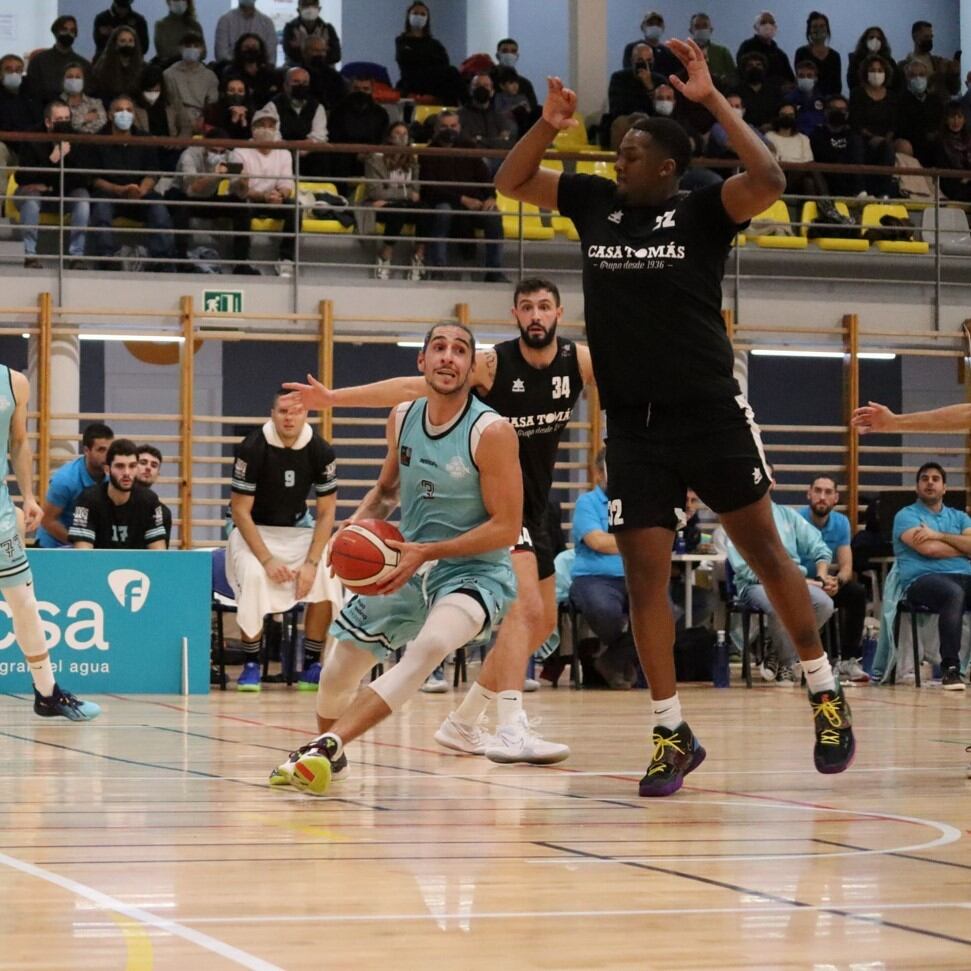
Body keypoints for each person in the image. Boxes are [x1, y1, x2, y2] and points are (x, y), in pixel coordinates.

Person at [494, 41, 856, 795]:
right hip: (633, 426)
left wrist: (714, 100)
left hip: (710, 413)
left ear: (664, 165)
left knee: (764, 551)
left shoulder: (700, 209)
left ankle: (823, 690)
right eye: (616, 150)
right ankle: (669, 730)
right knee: (644, 578)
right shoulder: (592, 201)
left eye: (630, 152)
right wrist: (547, 123)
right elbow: (511, 178)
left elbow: (769, 177)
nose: (617, 159)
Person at [283, 277, 592, 762]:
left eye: (545, 306)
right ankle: (492, 725)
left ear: (559, 312)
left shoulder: (575, 364)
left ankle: (473, 723)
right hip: (454, 532)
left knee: (534, 618)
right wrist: (336, 403)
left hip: (515, 516)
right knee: (518, 611)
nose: (536, 315)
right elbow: (403, 417)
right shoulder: (483, 371)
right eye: (527, 307)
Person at [269, 323, 521, 795]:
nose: (449, 357)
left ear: (471, 368)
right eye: (439, 348)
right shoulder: (403, 417)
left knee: (428, 648)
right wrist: (354, 527)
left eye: (460, 350)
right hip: (405, 560)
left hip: (473, 571)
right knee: (338, 668)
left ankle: (324, 747)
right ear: (421, 361)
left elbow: (506, 527)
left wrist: (429, 551)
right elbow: (386, 491)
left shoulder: (492, 431)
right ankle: (330, 749)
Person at [0, 363, 100, 720]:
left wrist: (28, 496)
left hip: (0, 510)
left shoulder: (14, 383)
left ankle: (47, 693)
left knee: (24, 601)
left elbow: (19, 440)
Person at [228, 389, 339, 691]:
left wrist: (312, 563)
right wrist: (266, 560)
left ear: (307, 414)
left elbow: (327, 512)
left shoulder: (320, 450)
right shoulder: (252, 448)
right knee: (253, 575)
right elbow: (239, 511)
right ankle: (252, 663)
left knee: (327, 573)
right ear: (272, 413)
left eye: (296, 411)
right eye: (283, 411)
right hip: (254, 529)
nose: (289, 418)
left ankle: (313, 663)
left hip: (297, 530)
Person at [727, 484, 834, 685]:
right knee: (780, 602)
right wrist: (787, 582)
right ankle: (786, 663)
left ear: (771, 483)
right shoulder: (736, 516)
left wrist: (821, 577)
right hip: (754, 584)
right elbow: (742, 568)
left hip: (794, 581)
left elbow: (820, 547)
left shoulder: (787, 515)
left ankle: (776, 649)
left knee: (825, 603)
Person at [892, 463, 971, 690]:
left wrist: (938, 535)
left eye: (935, 479)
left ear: (944, 488)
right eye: (924, 478)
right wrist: (962, 546)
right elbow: (929, 550)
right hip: (922, 580)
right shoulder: (906, 516)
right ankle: (951, 669)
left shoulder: (959, 517)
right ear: (917, 487)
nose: (930, 482)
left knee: (958, 589)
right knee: (953, 593)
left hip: (964, 574)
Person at [571, 447, 639, 689]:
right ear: (598, 474)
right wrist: (635, 541)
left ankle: (611, 659)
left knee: (667, 613)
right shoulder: (586, 503)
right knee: (604, 611)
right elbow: (596, 541)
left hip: (634, 575)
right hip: (593, 578)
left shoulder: (636, 501)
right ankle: (621, 657)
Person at [89, 95, 177, 270]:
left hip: (140, 194)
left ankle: (161, 260)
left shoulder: (144, 139)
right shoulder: (97, 139)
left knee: (158, 207)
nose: (124, 114)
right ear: (109, 115)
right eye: (119, 110)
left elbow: (153, 172)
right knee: (100, 208)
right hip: (109, 193)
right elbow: (93, 178)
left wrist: (141, 190)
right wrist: (119, 189)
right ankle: (107, 259)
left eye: (129, 110)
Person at [798, 475, 870, 683]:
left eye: (828, 492)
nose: (822, 497)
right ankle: (811, 661)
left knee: (856, 592)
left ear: (836, 498)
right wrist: (814, 583)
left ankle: (848, 660)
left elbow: (846, 566)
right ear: (808, 494)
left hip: (826, 584)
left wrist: (837, 582)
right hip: (800, 585)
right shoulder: (797, 520)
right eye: (818, 491)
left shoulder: (841, 523)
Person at [419, 111, 505, 283]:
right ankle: (438, 268)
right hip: (444, 202)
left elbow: (485, 178)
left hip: (475, 202)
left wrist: (490, 197)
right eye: (444, 126)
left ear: (459, 127)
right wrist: (462, 199)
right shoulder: (428, 153)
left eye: (453, 126)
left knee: (493, 217)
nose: (449, 129)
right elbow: (430, 189)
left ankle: (494, 271)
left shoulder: (470, 148)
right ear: (436, 129)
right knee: (443, 212)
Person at [15, 101, 91, 270]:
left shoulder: (77, 139)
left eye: (67, 119)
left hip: (63, 192)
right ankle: (29, 255)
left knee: (83, 199)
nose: (64, 124)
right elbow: (23, 177)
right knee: (31, 199)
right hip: (35, 193)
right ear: (48, 122)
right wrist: (52, 160)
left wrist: (48, 185)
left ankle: (76, 257)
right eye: (59, 119)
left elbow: (82, 179)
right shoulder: (32, 137)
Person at [169, 127, 253, 272]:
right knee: (181, 208)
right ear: (205, 146)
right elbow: (192, 189)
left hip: (212, 197)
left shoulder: (231, 156)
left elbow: (241, 194)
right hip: (186, 196)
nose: (219, 154)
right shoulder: (190, 154)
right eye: (214, 151)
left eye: (222, 151)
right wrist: (216, 175)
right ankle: (180, 260)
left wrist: (244, 183)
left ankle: (241, 263)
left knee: (243, 208)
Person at [69, 439, 167, 550]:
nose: (126, 473)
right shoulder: (87, 500)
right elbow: (83, 554)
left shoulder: (150, 501)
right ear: (107, 469)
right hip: (98, 565)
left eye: (132, 466)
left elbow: (158, 553)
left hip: (137, 567)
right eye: (120, 466)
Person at [233, 107, 297, 275]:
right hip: (250, 199)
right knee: (241, 206)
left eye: (271, 126)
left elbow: (287, 184)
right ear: (253, 129)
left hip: (273, 199)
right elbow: (240, 190)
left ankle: (286, 259)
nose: (267, 129)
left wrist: (280, 195)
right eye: (262, 125)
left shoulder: (284, 153)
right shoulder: (240, 152)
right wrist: (263, 195)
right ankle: (241, 260)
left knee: (294, 207)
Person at [363, 121, 426, 281]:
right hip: (380, 207)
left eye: (405, 134)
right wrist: (405, 193)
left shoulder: (413, 160)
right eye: (397, 133)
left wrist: (392, 195)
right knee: (398, 210)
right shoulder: (375, 158)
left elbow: (417, 192)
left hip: (397, 205)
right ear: (389, 136)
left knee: (426, 209)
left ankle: (418, 256)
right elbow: (375, 191)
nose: (401, 137)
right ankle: (385, 255)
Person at [37, 423, 113, 548]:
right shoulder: (65, 480)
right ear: (86, 451)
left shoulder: (113, 475)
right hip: (55, 546)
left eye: (109, 450)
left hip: (89, 544)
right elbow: (48, 521)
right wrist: (79, 543)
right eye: (101, 450)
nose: (107, 456)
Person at [261, 65, 329, 177]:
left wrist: (297, 148)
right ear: (285, 85)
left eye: (305, 83)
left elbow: (319, 137)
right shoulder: (272, 106)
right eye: (296, 82)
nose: (301, 86)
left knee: (322, 156)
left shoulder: (317, 107)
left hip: (309, 156)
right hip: (281, 155)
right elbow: (273, 137)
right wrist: (292, 150)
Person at [395, 2, 464, 105]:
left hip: (433, 82)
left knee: (452, 74)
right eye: (415, 13)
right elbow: (407, 63)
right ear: (408, 16)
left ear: (427, 19)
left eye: (423, 14)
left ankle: (459, 111)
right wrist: (429, 61)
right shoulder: (401, 41)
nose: (419, 16)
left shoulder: (435, 44)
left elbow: (444, 63)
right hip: (412, 81)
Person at [849, 55, 897, 197]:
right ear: (865, 72)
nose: (876, 73)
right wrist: (871, 137)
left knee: (888, 148)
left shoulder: (892, 96)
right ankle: (860, 190)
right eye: (872, 70)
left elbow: (894, 124)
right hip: (862, 137)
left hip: (884, 139)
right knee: (855, 142)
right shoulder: (857, 93)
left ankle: (884, 193)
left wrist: (884, 139)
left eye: (879, 70)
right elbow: (855, 121)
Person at [327, 77, 389, 181]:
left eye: (365, 89)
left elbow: (382, 139)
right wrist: (354, 154)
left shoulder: (381, 113)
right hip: (343, 157)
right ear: (350, 89)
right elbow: (333, 139)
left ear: (372, 90)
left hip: (371, 156)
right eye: (357, 89)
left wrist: (369, 154)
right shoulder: (338, 111)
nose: (361, 92)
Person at [26, 16, 91, 106]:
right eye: (64, 29)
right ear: (56, 32)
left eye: (72, 31)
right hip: (43, 109)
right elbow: (32, 91)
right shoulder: (39, 61)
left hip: (77, 110)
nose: (68, 33)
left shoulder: (84, 64)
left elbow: (89, 92)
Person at [163, 31, 218, 136]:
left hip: (202, 121)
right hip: (177, 120)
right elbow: (169, 104)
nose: (192, 49)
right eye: (188, 46)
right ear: (180, 48)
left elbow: (212, 103)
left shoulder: (210, 76)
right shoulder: (168, 74)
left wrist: (203, 119)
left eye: (196, 46)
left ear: (202, 49)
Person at [809, 94, 865, 197]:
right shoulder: (817, 134)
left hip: (849, 184)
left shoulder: (853, 136)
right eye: (834, 109)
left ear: (847, 114)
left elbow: (857, 161)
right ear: (826, 112)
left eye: (842, 109)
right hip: (826, 181)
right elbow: (819, 158)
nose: (839, 112)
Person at [896, 60, 944, 166]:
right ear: (907, 78)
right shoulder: (900, 101)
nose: (918, 78)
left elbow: (941, 121)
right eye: (913, 75)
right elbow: (901, 128)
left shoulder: (935, 100)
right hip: (913, 143)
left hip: (935, 142)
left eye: (921, 75)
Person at [901, 20, 959, 101]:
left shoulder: (939, 62)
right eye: (926, 37)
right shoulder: (903, 66)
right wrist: (938, 74)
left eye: (931, 37)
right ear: (915, 37)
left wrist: (954, 75)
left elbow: (954, 90)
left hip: (942, 108)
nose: (929, 40)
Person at [736, 10, 794, 87]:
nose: (768, 25)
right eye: (763, 23)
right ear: (756, 27)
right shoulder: (747, 47)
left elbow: (789, 79)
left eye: (771, 23)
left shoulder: (780, 55)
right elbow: (741, 71)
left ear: (775, 27)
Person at [91, 26, 145, 106]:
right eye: (123, 41)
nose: (127, 44)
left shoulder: (143, 68)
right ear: (115, 44)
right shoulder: (102, 68)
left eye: (130, 41)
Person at [793, 11, 841, 97]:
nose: (819, 29)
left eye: (822, 26)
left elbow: (837, 85)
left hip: (829, 102)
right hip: (806, 99)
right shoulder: (801, 52)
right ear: (809, 30)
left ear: (827, 29)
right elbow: (799, 79)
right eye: (814, 26)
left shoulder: (835, 56)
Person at [215, 0, 277, 67]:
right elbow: (221, 55)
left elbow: (271, 57)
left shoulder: (267, 23)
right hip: (232, 71)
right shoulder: (225, 20)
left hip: (260, 72)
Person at [224, 34, 280, 107]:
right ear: (239, 50)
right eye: (246, 47)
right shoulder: (231, 72)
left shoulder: (270, 72)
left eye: (254, 47)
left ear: (260, 50)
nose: (250, 49)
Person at [621, 11, 680, 79]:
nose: (655, 27)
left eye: (658, 24)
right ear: (642, 27)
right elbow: (628, 73)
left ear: (663, 28)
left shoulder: (668, 52)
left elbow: (674, 75)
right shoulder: (632, 48)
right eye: (650, 24)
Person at [283, 0, 341, 67]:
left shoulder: (328, 28)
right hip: (297, 71)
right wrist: (321, 51)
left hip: (325, 71)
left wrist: (304, 50)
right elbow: (291, 55)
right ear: (298, 10)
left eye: (313, 4)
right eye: (305, 4)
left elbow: (336, 56)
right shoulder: (290, 28)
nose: (310, 7)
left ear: (319, 9)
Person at [736, 50, 784, 131]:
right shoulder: (736, 91)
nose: (755, 68)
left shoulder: (774, 91)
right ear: (744, 69)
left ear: (764, 68)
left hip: (771, 133)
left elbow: (782, 112)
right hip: (743, 132)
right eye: (750, 65)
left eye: (758, 65)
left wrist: (772, 125)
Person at [686, 12, 735, 90]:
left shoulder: (722, 51)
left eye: (705, 26)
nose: (701, 29)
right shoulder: (683, 50)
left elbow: (733, 76)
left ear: (711, 30)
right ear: (691, 30)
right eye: (697, 26)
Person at [135, 444, 172, 546]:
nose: (148, 468)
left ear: (158, 474)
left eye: (154, 465)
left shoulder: (163, 512)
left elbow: (160, 555)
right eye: (143, 463)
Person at [933, 104, 971, 203]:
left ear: (964, 120)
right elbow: (943, 172)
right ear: (946, 120)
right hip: (951, 185)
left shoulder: (968, 140)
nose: (956, 121)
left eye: (959, 117)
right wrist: (963, 179)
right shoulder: (940, 142)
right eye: (952, 117)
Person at [301, 35, 347, 113]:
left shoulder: (334, 76)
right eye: (315, 50)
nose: (320, 54)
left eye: (323, 51)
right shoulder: (297, 75)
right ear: (304, 52)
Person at [154, 0, 206, 67]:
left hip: (195, 67)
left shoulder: (195, 26)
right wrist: (188, 52)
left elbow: (203, 53)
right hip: (169, 67)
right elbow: (163, 52)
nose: (180, 2)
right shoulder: (161, 25)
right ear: (168, 2)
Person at [847, 27, 899, 94]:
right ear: (865, 40)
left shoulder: (889, 61)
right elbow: (852, 82)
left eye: (878, 38)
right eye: (871, 37)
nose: (875, 40)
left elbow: (896, 82)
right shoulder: (855, 60)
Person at [491, 38, 538, 113]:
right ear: (497, 55)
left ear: (517, 56)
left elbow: (533, 109)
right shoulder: (488, 80)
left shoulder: (525, 84)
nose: (509, 54)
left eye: (513, 51)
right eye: (505, 51)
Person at [59, 63, 107, 134]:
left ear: (84, 81)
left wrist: (75, 123)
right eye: (70, 77)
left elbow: (102, 122)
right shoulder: (56, 102)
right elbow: (61, 126)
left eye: (78, 77)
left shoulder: (95, 103)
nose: (74, 80)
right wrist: (85, 118)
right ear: (63, 81)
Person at [204, 74, 255, 140]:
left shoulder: (251, 112)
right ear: (224, 92)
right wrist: (233, 121)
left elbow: (252, 140)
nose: (236, 94)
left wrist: (244, 123)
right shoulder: (213, 110)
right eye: (231, 90)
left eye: (240, 91)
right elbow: (216, 139)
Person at [784, 60, 826, 136]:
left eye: (809, 76)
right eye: (801, 76)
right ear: (796, 78)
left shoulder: (823, 100)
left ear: (816, 78)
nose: (805, 78)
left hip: (819, 138)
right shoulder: (788, 100)